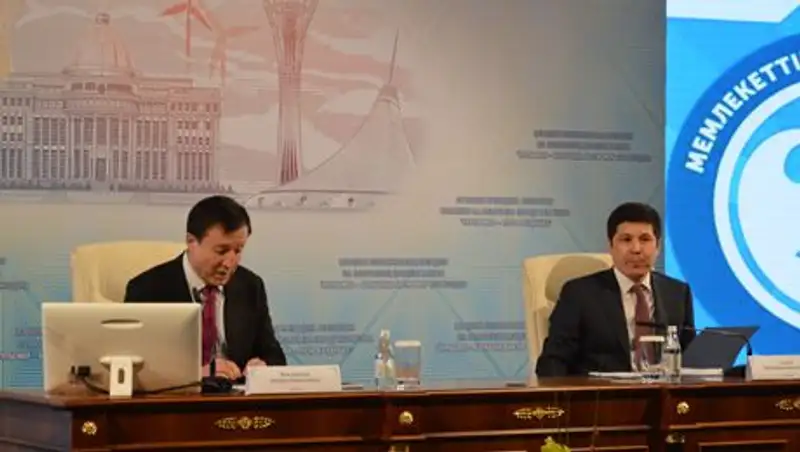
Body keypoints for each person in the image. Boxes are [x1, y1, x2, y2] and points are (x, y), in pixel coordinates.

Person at [124, 195, 286, 381]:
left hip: (236, 394)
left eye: (238, 250)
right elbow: (134, 368)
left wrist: (263, 366)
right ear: (191, 242)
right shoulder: (147, 289)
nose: (230, 262)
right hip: (178, 395)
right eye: (221, 251)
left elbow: (274, 355)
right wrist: (196, 375)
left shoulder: (250, 286)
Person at [535, 202, 695, 377]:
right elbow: (553, 361)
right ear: (610, 245)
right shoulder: (579, 294)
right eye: (626, 240)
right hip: (604, 392)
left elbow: (691, 361)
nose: (636, 249)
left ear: (658, 246)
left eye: (645, 239)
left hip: (663, 392)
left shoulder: (677, 293)